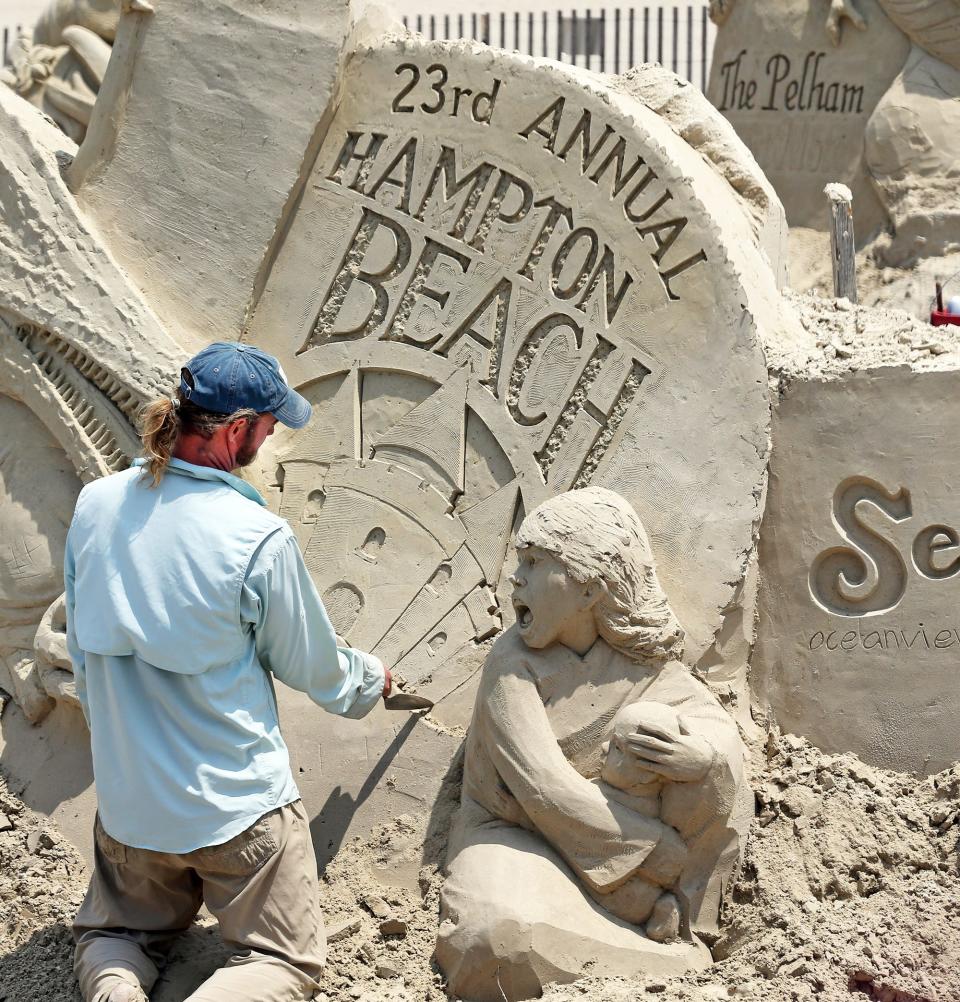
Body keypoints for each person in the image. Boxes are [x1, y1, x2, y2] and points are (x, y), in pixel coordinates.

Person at [64, 342, 391, 1002]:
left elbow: (81, 655)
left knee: (116, 937)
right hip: (235, 822)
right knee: (285, 961)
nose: (271, 438)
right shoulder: (254, 537)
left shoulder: (95, 507)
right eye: (270, 425)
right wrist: (368, 681)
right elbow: (315, 668)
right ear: (237, 429)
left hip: (130, 813)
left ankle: (116, 992)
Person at [436, 487, 750, 1002]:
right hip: (516, 838)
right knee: (495, 940)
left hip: (625, 846)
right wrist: (657, 852)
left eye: (535, 563)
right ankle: (661, 958)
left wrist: (703, 756)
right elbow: (543, 786)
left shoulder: (641, 659)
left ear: (588, 588)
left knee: (698, 755)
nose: (517, 577)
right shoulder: (512, 662)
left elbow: (709, 725)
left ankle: (682, 928)